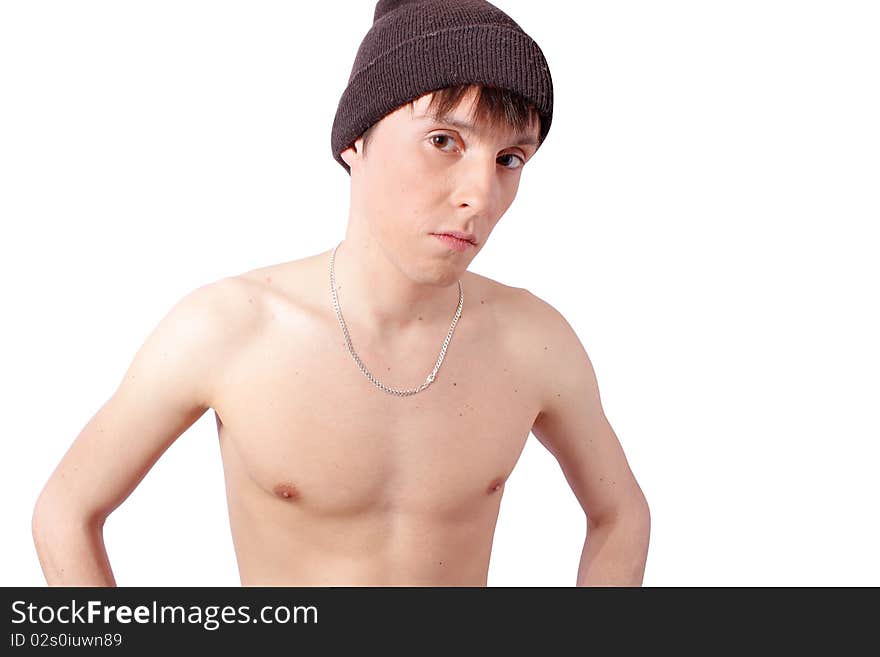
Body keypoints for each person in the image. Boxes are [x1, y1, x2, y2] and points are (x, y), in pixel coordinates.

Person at [32, 0, 650, 587]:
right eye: (444, 141)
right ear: (355, 141)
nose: (480, 196)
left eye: (510, 159)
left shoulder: (534, 340)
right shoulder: (229, 327)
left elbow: (621, 515)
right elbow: (67, 512)